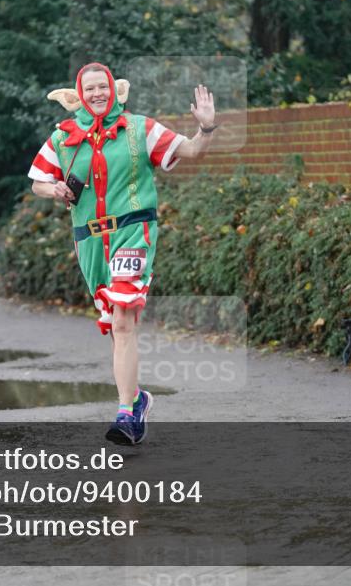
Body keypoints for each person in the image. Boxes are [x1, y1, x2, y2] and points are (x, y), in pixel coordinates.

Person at [28, 63, 216, 445]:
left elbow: (193, 151)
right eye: (90, 89)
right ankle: (137, 399)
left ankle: (126, 414)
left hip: (133, 231)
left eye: (103, 87)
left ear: (114, 90)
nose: (98, 93)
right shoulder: (63, 136)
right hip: (89, 241)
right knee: (116, 325)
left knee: (124, 319)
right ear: (80, 95)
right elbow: (37, 182)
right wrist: (55, 189)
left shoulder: (140, 129)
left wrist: (207, 128)